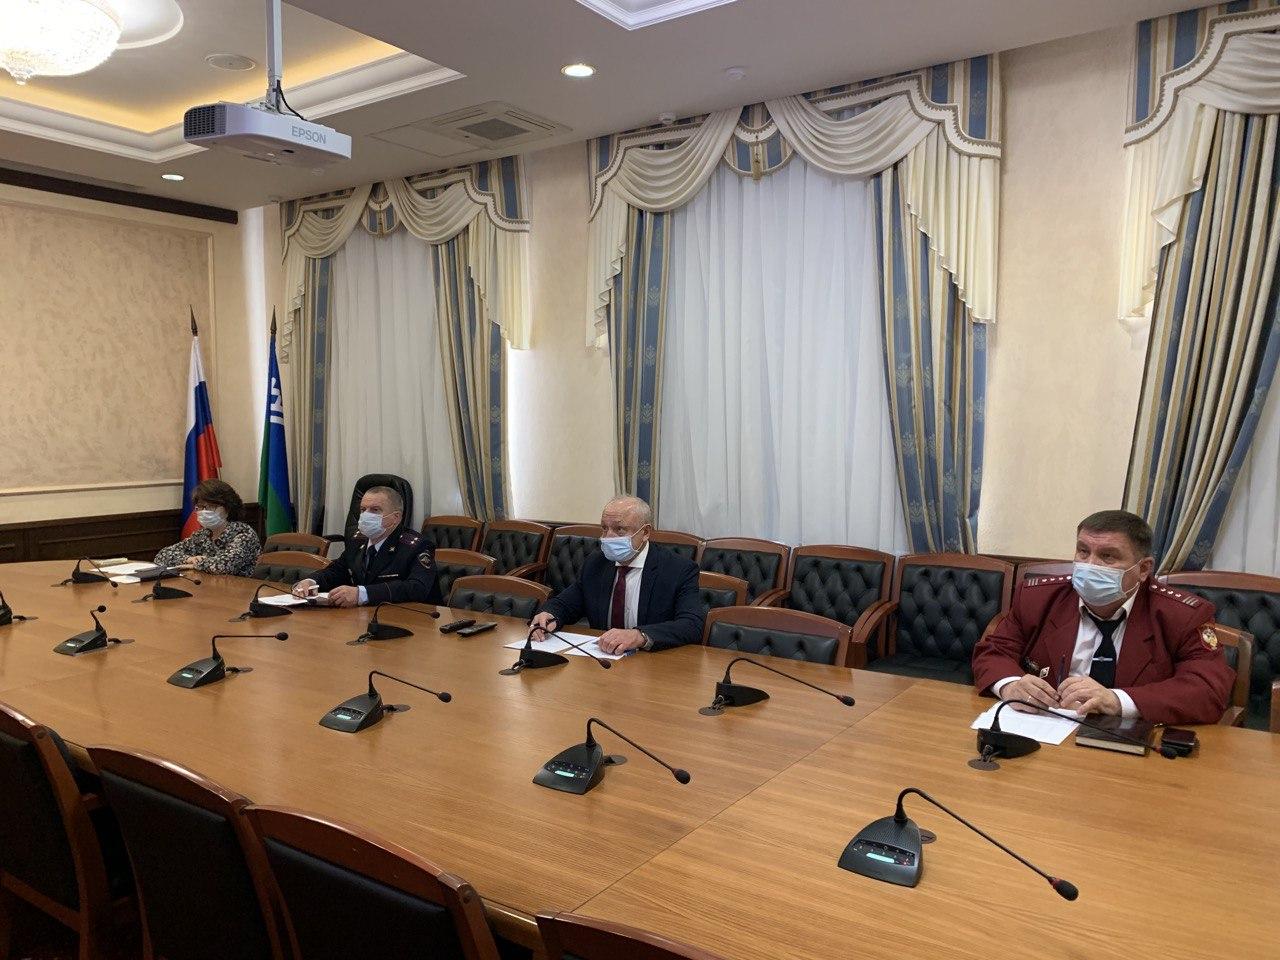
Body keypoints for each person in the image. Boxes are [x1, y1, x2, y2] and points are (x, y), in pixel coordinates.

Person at [972, 509, 1234, 725]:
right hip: (1046, 732)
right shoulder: (1038, 598)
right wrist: (1010, 685)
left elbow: (1207, 690)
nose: (1090, 565)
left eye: (1107, 556)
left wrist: (1117, 701)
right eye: (1083, 551)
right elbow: (993, 652)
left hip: (1131, 742)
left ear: (1144, 569)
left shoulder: (1181, 615)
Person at [530, 495, 703, 654]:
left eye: (619, 529)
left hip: (653, 662)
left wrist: (639, 636)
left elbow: (691, 625)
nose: (608, 537)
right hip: (603, 658)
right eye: (604, 528)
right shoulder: (596, 563)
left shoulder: (678, 569)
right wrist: (549, 614)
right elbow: (566, 604)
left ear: (645, 532)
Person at [292, 485, 439, 608]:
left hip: (411, 619)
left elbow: (417, 588)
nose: (366, 515)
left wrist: (362, 594)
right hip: (364, 617)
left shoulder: (417, 546)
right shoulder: (357, 541)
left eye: (375, 510)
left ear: (396, 517)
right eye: (363, 510)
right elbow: (337, 570)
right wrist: (311, 582)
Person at [154, 479, 260, 577]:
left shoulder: (243, 534)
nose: (204, 511)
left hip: (242, 588)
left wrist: (196, 565)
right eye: (200, 507)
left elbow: (224, 566)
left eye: (211, 506)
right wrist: (188, 559)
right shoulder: (203, 535)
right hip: (209, 586)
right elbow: (162, 556)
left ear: (228, 508)